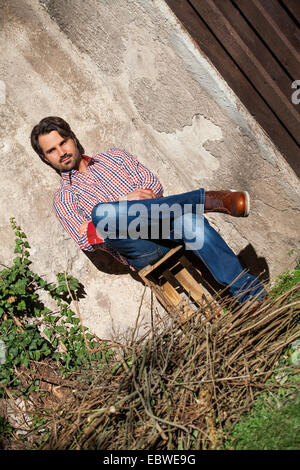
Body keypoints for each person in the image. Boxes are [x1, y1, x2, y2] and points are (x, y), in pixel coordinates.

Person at [30, 116, 266, 305]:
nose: (61, 152)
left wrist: (122, 212)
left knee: (192, 224)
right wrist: (124, 202)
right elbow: (86, 238)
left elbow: (153, 186)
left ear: (72, 138)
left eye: (63, 142)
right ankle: (206, 200)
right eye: (52, 150)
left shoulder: (114, 157)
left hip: (166, 226)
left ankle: (252, 297)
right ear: (45, 158)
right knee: (102, 214)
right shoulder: (64, 199)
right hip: (139, 248)